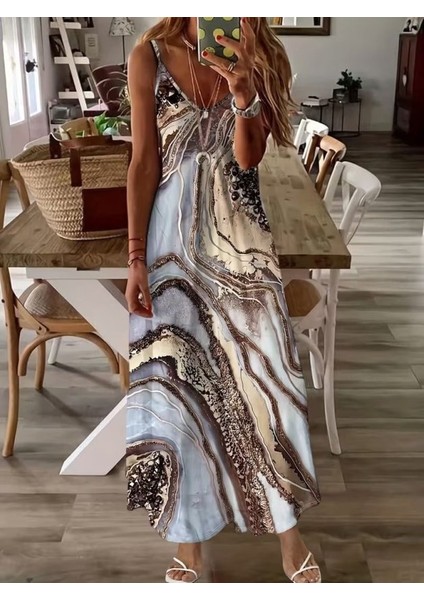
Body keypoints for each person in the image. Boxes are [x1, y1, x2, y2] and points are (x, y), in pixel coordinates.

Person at [125, 17, 321, 584]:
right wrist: (135, 257)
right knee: (176, 383)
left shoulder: (259, 50)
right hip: (169, 243)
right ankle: (188, 537)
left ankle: (288, 531)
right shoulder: (149, 55)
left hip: (244, 240)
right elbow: (144, 161)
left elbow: (248, 161)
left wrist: (243, 92)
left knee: (268, 384)